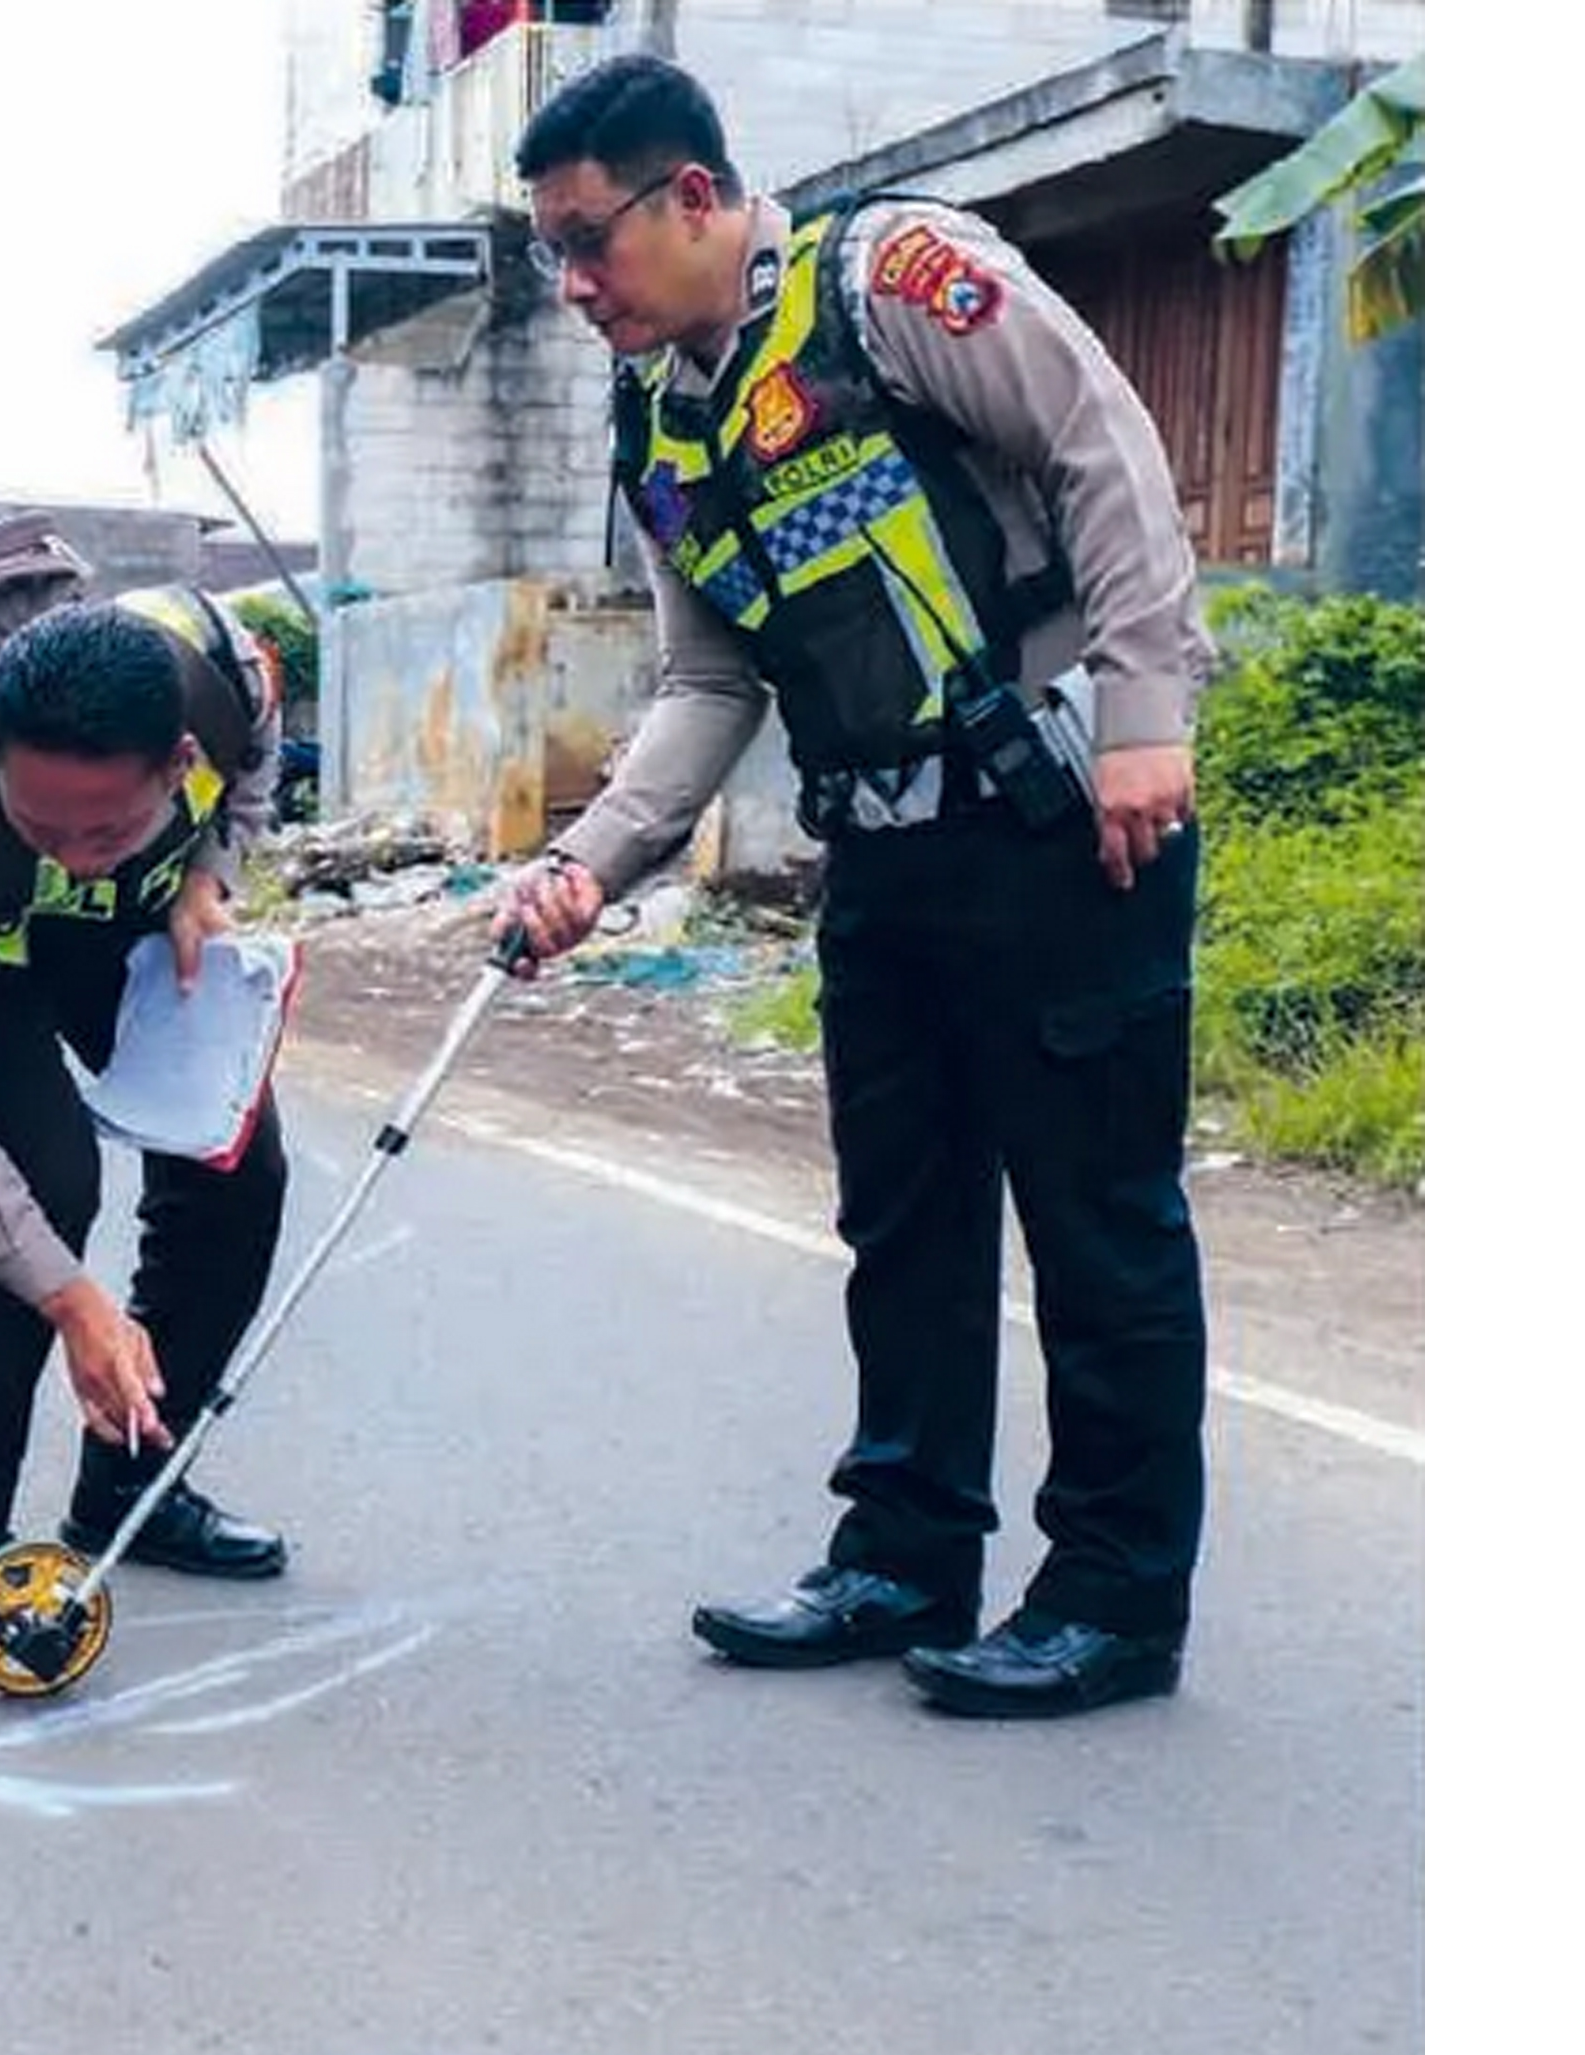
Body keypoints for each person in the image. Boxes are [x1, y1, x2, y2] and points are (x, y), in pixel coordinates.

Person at [499, 56, 1214, 1721]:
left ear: (691, 194)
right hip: (881, 861)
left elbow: (1102, 445)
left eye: (588, 240)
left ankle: (1114, 1599)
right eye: (551, 256)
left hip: (1060, 822)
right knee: (904, 1223)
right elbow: (708, 678)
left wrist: (1144, 717)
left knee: (1096, 1226)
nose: (575, 284)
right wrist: (589, 863)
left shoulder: (892, 282)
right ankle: (903, 1551)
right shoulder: (663, 421)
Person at [0, 590, 297, 1618]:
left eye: (105, 825)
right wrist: (72, 1301)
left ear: (177, 763)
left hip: (133, 924)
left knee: (236, 1172)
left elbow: (253, 769)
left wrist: (205, 874)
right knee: (43, 1186)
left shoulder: (230, 677)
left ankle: (129, 1492)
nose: (70, 851)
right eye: (39, 822)